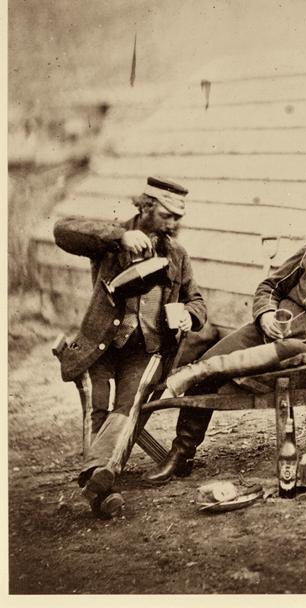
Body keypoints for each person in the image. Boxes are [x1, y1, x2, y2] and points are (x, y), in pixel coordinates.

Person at [145, 183, 306, 483]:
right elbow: (269, 287)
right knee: (210, 360)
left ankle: (180, 445)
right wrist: (266, 313)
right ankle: (182, 454)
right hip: (268, 331)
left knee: (216, 372)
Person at [53, 176, 207, 518]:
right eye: (168, 215)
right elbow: (62, 231)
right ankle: (101, 487)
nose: (175, 223)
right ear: (147, 207)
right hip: (101, 346)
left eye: (179, 217)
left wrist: (188, 316)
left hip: (147, 350)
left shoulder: (177, 254)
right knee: (101, 408)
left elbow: (197, 301)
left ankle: (98, 482)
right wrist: (119, 237)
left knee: (130, 402)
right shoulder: (111, 239)